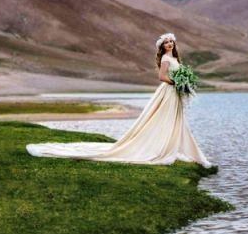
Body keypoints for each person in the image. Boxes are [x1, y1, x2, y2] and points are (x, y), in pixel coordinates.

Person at [26, 33, 211, 166]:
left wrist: (182, 83)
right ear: (162, 47)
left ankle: (172, 146)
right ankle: (160, 147)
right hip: (168, 91)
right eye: (166, 42)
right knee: (163, 119)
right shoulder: (164, 59)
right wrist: (177, 83)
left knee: (175, 120)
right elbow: (162, 77)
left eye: (171, 41)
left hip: (174, 93)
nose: (170, 44)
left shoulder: (174, 58)